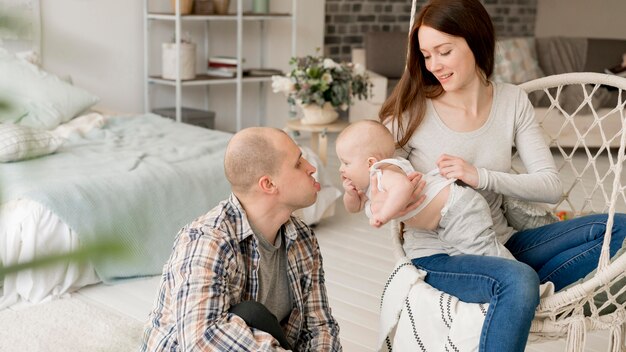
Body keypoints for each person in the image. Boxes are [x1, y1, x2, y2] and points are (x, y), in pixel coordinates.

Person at [376, 0, 626, 351]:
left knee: (619, 226)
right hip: (440, 256)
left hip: (503, 243)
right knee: (520, 279)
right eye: (426, 55)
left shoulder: (512, 101)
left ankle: (515, 289)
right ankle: (518, 288)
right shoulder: (411, 111)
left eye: (444, 52)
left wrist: (481, 176)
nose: (434, 66)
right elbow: (376, 177)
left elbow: (549, 186)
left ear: (475, 40)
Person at [140, 127, 342, 351]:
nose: (312, 168)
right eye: (298, 163)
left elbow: (320, 325)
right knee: (249, 313)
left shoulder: (303, 239)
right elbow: (201, 339)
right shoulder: (207, 240)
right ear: (268, 184)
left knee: (255, 316)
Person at [335, 119, 513, 259]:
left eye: (346, 162)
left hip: (456, 209)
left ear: (371, 163)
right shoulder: (368, 185)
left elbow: (403, 188)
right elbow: (354, 208)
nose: (341, 169)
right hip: (445, 221)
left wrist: (384, 215)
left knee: (485, 253)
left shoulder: (384, 170)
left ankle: (515, 275)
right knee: (468, 255)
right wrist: (351, 193)